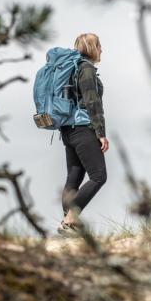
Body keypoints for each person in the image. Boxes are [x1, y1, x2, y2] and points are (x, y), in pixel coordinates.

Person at [57, 33, 109, 235]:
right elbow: (92, 102)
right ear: (92, 47)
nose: (102, 49)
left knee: (74, 177)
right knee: (98, 176)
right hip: (83, 129)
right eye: (99, 45)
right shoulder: (86, 69)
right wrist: (101, 133)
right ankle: (70, 219)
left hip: (68, 131)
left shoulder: (72, 69)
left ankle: (68, 223)